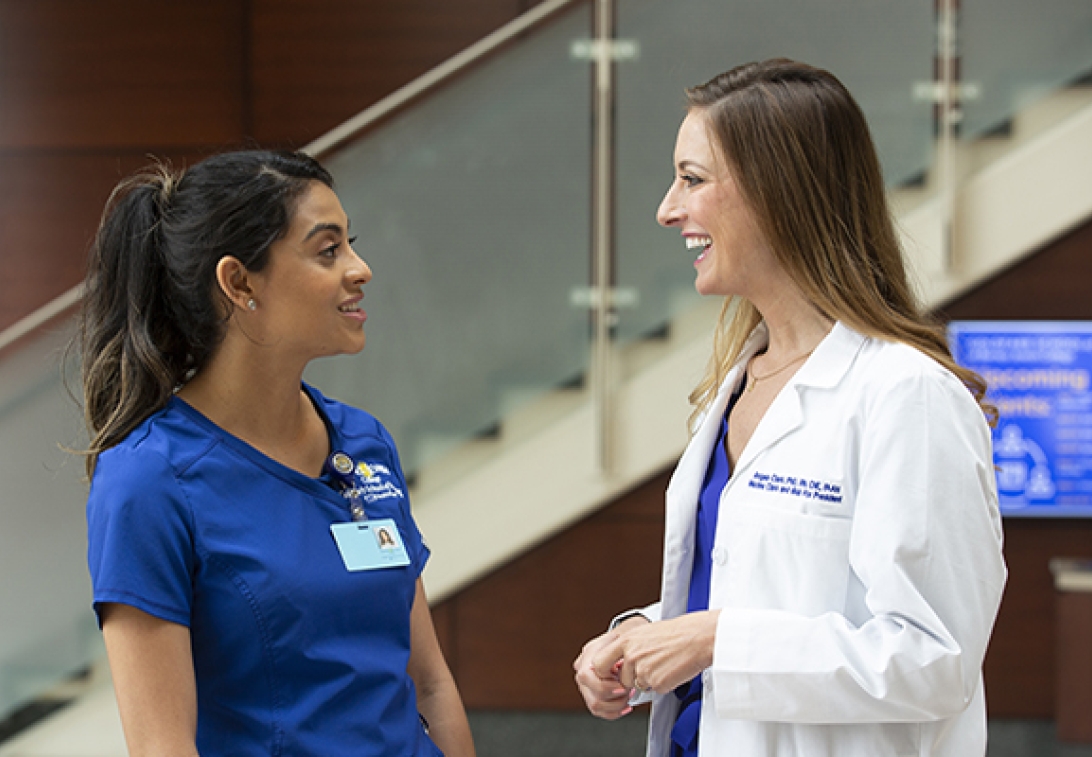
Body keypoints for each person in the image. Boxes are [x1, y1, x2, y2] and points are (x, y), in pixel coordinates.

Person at [573, 59, 1007, 757]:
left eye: (692, 179)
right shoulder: (739, 381)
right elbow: (768, 587)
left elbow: (934, 656)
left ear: (778, 191)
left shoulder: (906, 394)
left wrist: (714, 639)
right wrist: (644, 636)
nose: (666, 209)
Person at [80, 151, 476, 757]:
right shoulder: (147, 481)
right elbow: (162, 745)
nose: (361, 268)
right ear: (239, 283)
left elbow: (431, 683)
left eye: (351, 244)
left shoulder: (363, 443)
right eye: (328, 250)